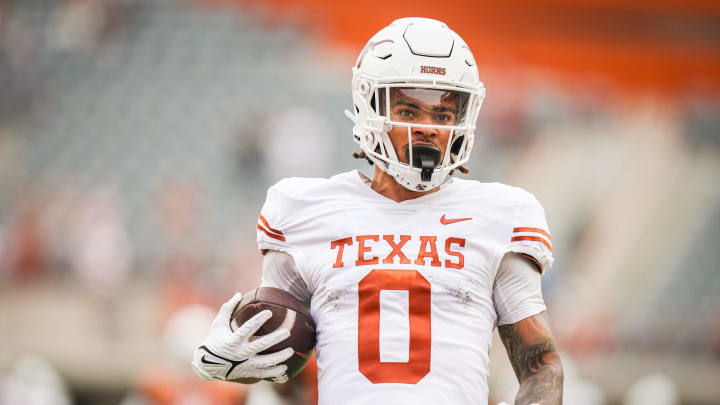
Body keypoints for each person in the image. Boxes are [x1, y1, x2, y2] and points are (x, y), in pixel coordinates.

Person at [191, 17, 563, 405]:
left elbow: (542, 366)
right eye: (409, 112)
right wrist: (242, 358)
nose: (428, 128)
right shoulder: (303, 209)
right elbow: (290, 368)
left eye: (442, 115)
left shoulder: (501, 215)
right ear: (369, 106)